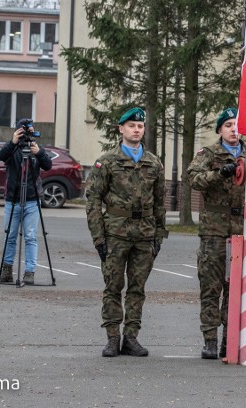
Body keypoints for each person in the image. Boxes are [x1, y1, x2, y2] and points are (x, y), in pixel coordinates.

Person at [187, 107, 246, 360]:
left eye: (237, 125)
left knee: (236, 287)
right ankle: (210, 340)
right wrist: (218, 173)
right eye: (228, 125)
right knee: (211, 286)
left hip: (244, 230)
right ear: (220, 130)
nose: (234, 129)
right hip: (215, 230)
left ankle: (229, 340)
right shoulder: (209, 154)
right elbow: (194, 179)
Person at [86, 107, 168, 358]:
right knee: (113, 286)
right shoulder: (107, 162)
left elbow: (160, 202)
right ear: (121, 129)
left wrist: (158, 235)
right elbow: (93, 199)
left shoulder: (153, 163)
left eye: (140, 126)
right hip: (115, 234)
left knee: (137, 288)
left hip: (144, 234)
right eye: (131, 125)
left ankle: (131, 337)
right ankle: (112, 337)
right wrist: (98, 237)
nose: (136, 129)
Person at [0, 118, 52, 286]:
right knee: (10, 235)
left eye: (30, 132)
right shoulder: (12, 149)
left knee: (31, 236)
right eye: (24, 132)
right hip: (13, 199)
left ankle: (29, 272)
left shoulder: (36, 149)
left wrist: (38, 152)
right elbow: (0, 156)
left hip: (32, 200)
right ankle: (6, 271)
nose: (28, 136)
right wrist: (13, 142)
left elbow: (48, 165)